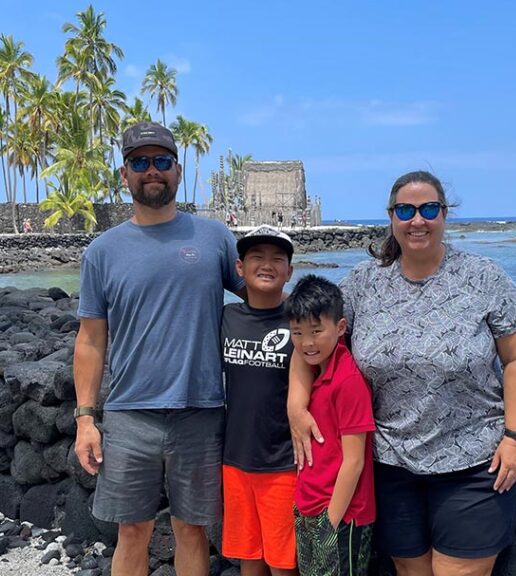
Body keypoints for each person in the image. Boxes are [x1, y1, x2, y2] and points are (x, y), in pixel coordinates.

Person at [289, 171, 516, 576]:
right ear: (391, 217)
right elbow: (311, 336)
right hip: (392, 463)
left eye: (428, 209)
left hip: (474, 460)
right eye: (405, 210)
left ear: (444, 214)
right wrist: (295, 404)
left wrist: (515, 437)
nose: (416, 220)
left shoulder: (484, 277)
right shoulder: (365, 282)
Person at [73, 121, 247, 576]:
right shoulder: (102, 252)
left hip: (202, 410)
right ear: (125, 173)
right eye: (141, 162)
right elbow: (91, 339)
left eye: (162, 161)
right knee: (133, 530)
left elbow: (262, 298)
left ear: (178, 170)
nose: (153, 171)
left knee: (193, 530)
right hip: (130, 415)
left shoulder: (214, 238)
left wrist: (320, 327)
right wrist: (85, 419)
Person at [285, 275, 375, 576]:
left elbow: (355, 461)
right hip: (308, 503)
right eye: (297, 332)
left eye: (316, 331)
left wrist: (332, 520)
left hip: (342, 514)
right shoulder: (313, 374)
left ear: (340, 328)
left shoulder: (347, 381)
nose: (307, 342)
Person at [221, 226, 297, 576]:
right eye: (257, 257)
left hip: (285, 463)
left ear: (289, 271)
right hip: (235, 459)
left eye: (277, 259)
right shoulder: (226, 318)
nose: (267, 265)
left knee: (283, 563)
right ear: (240, 267)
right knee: (249, 557)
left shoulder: (300, 323)